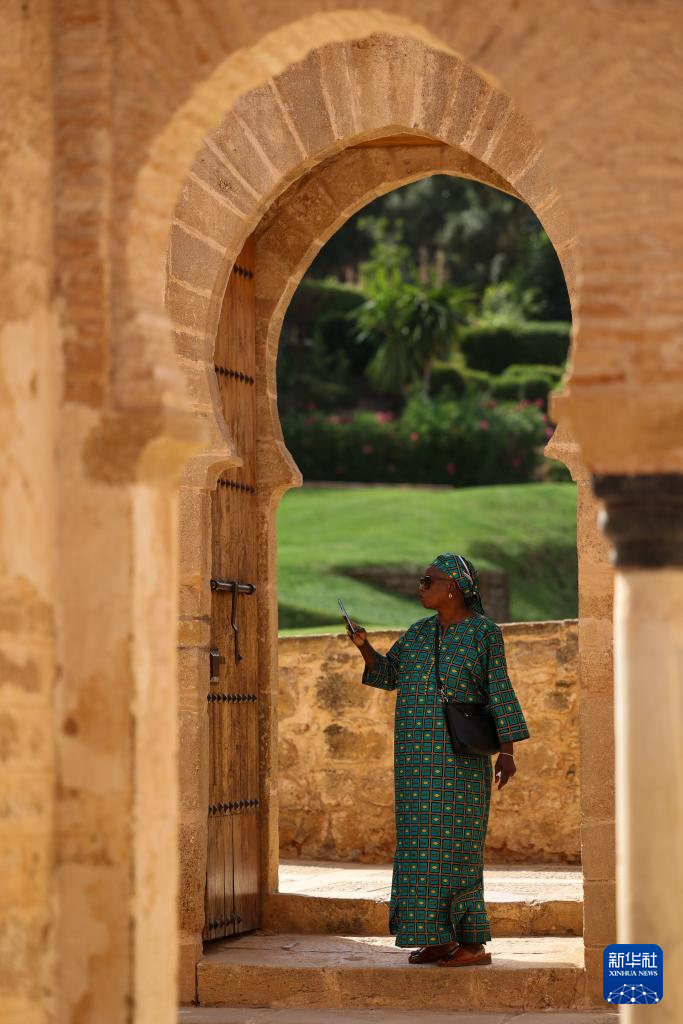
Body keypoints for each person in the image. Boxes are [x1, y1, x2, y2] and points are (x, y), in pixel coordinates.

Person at [346, 553, 530, 967]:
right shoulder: (417, 634)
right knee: (417, 849)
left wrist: (508, 750)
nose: (420, 585)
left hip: (459, 764)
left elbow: (499, 689)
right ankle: (436, 937)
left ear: (453, 587)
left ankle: (471, 943)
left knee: (457, 847)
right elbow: (388, 675)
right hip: (414, 761)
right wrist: (364, 647)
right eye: (421, 580)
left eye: (428, 580)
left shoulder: (484, 634)